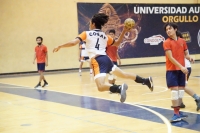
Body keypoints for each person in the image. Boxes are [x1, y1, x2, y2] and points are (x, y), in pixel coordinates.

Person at [53, 13, 153, 103]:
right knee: (124, 74)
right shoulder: (104, 36)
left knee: (100, 87)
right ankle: (145, 80)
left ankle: (118, 88)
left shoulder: (86, 33)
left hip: (97, 60)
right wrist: (123, 31)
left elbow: (74, 42)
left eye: (90, 22)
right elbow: (117, 43)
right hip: (106, 59)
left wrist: (61, 45)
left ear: (93, 24)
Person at [163, 23, 195, 122]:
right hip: (172, 70)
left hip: (181, 70)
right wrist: (181, 67)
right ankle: (176, 114)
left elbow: (186, 54)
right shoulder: (166, 42)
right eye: (166, 29)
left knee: (181, 91)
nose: (168, 31)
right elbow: (170, 57)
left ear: (175, 29)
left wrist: (190, 57)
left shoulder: (182, 41)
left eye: (170, 28)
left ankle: (178, 112)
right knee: (174, 92)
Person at [170, 31, 200, 111]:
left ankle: (197, 98)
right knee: (178, 87)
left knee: (182, 86)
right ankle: (180, 103)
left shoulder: (180, 45)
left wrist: (190, 58)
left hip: (184, 68)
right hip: (182, 67)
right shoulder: (179, 44)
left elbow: (184, 56)